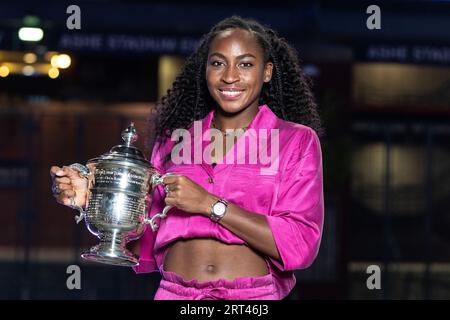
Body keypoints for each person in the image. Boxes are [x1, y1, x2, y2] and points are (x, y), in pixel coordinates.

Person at [50, 16, 324, 300]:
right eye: (217, 63)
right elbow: (144, 241)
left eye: (245, 64)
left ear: (266, 72)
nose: (230, 76)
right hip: (175, 294)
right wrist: (97, 197)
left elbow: (300, 244)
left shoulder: (295, 140)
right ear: (205, 70)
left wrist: (210, 205)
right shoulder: (172, 141)